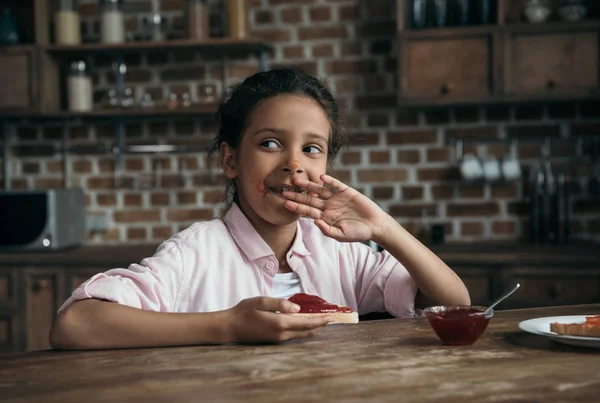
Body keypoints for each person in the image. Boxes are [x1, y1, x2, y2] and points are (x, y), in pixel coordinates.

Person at [49, 68, 470, 350]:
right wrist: (228, 325)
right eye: (270, 143)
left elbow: (456, 302)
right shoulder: (194, 254)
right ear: (230, 160)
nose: (293, 163)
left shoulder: (339, 252)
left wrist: (384, 229)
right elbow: (74, 325)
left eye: (312, 148)